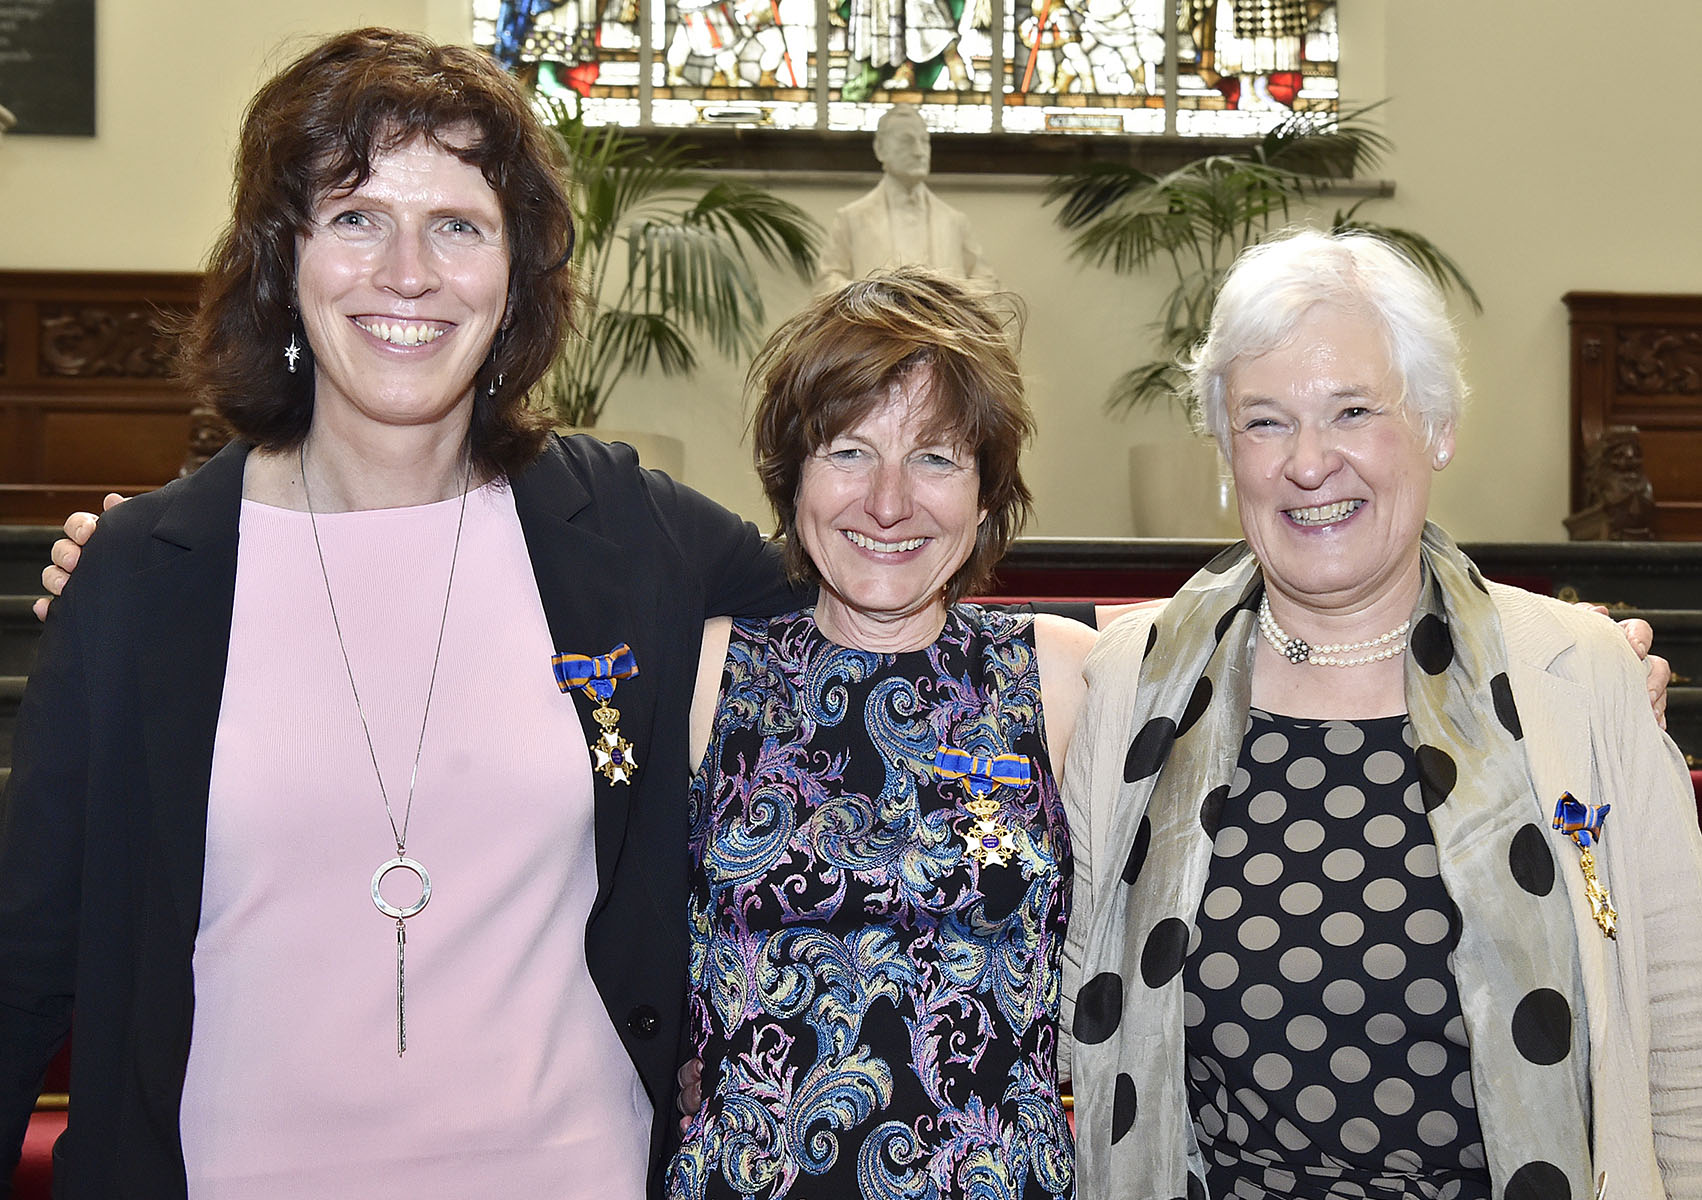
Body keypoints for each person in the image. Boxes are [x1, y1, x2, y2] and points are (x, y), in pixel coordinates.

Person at [0, 28, 809, 1198]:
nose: (409, 272)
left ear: (515, 278)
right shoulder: (144, 577)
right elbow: (25, 964)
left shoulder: (630, 537)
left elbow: (858, 615)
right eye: (357, 216)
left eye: (460, 226)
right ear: (283, 261)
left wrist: (1113, 649)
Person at [1063, 229, 1702, 1199]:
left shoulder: (1580, 678)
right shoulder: (1129, 686)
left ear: (1436, 425)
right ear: (1228, 453)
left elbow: (1681, 1039)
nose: (1308, 463)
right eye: (1264, 422)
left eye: (1351, 410)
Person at [667, 269, 1096, 1198]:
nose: (889, 502)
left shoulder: (1062, 676)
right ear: (791, 481)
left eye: (937, 459)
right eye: (849, 452)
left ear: (987, 495)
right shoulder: (707, 674)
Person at [816, 106, 999, 294]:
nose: (919, 152)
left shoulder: (954, 221)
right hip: (878, 321)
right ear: (880, 149)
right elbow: (826, 283)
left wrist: (950, 297)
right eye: (907, 141)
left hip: (943, 321)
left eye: (924, 141)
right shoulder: (851, 218)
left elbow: (987, 282)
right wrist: (867, 299)